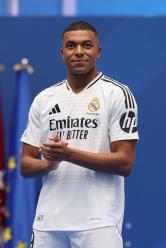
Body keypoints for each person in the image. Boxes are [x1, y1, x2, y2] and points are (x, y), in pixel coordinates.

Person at [20, 20, 139, 248]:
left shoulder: (117, 94)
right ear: (61, 52)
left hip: (98, 224)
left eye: (87, 45)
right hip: (48, 224)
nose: (79, 52)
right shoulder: (44, 99)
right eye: (71, 46)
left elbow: (125, 163)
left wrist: (68, 154)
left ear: (98, 51)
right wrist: (48, 165)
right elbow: (25, 165)